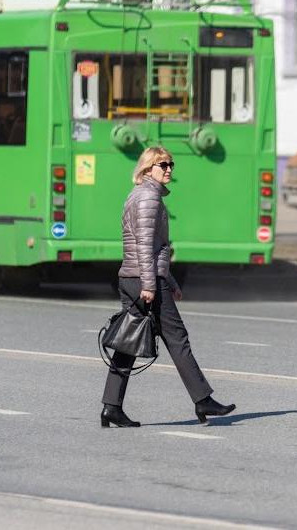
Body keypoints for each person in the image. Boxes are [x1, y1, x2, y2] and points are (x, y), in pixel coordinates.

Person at [100, 146, 236, 428]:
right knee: (178, 338)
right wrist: (151, 284)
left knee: (128, 342)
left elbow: (153, 247)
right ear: (148, 168)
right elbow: (145, 245)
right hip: (143, 280)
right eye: (163, 164)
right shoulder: (148, 197)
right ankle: (203, 400)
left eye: (171, 164)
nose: (169, 169)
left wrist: (169, 280)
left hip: (132, 277)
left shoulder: (140, 195)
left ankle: (111, 407)